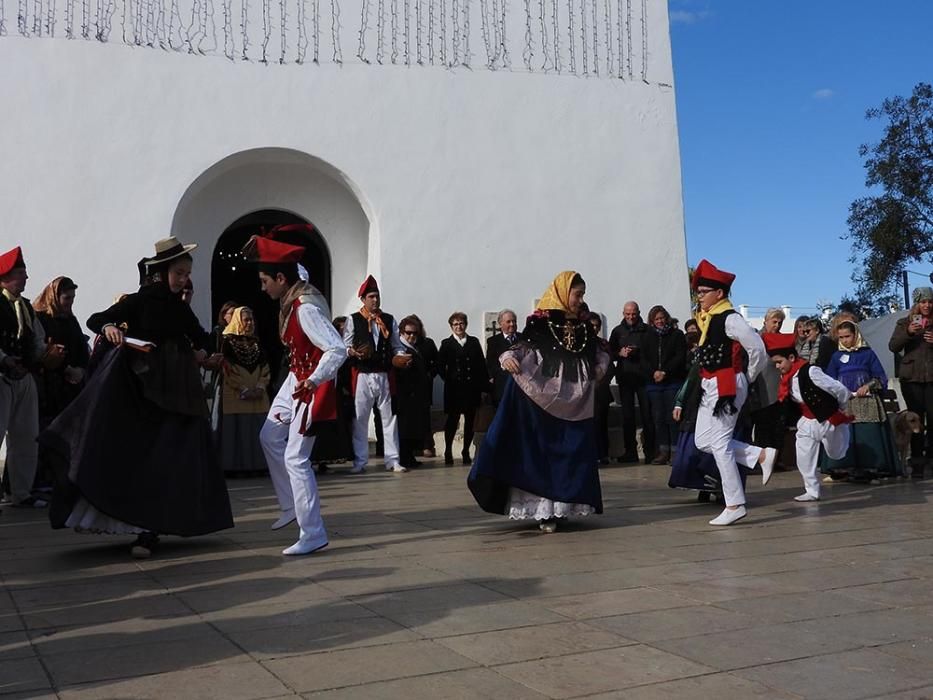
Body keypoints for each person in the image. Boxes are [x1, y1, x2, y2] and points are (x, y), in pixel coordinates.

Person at [40, 237, 233, 558]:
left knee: (172, 458)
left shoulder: (179, 309)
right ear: (162, 272)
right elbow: (96, 319)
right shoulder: (141, 300)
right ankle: (141, 527)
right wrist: (112, 327)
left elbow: (202, 338)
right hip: (140, 389)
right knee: (142, 457)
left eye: (187, 274)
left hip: (177, 393)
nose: (184, 279)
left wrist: (207, 354)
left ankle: (153, 527)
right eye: (179, 273)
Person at [468, 271, 609, 533]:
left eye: (582, 295)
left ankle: (564, 506)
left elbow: (600, 354)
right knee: (544, 454)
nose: (580, 300)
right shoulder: (541, 324)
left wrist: (598, 370)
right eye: (577, 294)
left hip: (576, 403)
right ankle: (545, 511)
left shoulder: (585, 328)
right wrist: (507, 358)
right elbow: (521, 348)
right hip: (541, 399)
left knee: (571, 454)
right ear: (562, 293)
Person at [244, 234, 347, 554]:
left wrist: (315, 380)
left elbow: (337, 348)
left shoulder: (304, 308)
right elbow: (298, 269)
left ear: (280, 279)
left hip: (310, 386)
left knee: (296, 457)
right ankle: (291, 505)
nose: (262, 288)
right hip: (295, 380)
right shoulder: (292, 296)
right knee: (269, 436)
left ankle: (312, 531)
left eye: (265, 281)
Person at [691, 259, 777, 526]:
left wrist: (747, 377)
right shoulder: (709, 318)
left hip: (727, 383)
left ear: (719, 293)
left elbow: (758, 350)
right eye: (699, 291)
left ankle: (735, 503)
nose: (700, 296)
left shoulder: (730, 318)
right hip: (710, 384)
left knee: (719, 443)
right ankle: (759, 455)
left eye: (704, 291)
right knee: (702, 441)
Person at [0, 247, 63, 508]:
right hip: (1, 376)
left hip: (24, 377)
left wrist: (47, 354)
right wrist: (3, 359)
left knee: (26, 436)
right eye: (20, 274)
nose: (26, 278)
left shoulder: (25, 307)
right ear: (5, 277)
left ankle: (21, 493)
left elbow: (35, 339)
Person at [764, 333, 853, 501]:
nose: (777, 366)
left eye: (779, 362)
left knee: (836, 454)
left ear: (791, 357)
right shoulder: (787, 379)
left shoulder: (811, 371)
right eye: (775, 363)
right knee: (804, 456)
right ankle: (812, 491)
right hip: (807, 421)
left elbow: (838, 389)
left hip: (827, 419)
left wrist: (840, 408)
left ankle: (843, 431)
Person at [343, 276, 410, 474]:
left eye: (377, 296)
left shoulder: (388, 320)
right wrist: (352, 352)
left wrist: (400, 357)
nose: (375, 300)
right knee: (360, 419)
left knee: (389, 419)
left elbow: (396, 345)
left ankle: (393, 459)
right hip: (363, 375)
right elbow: (344, 346)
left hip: (383, 375)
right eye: (371, 296)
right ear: (363, 299)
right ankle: (360, 461)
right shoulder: (353, 320)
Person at [821, 320, 900, 479]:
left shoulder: (868, 354)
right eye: (841, 337)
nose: (844, 340)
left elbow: (880, 377)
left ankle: (872, 467)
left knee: (867, 433)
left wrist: (868, 386)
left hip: (867, 403)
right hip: (845, 403)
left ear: (856, 335)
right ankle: (841, 468)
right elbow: (829, 379)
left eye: (847, 336)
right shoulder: (836, 357)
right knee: (844, 434)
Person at [32, 277, 90, 489]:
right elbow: (42, 351)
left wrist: (80, 371)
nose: (70, 302)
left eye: (73, 298)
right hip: (49, 386)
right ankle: (39, 479)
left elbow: (82, 351)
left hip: (71, 387)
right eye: (67, 297)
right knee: (45, 431)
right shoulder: (42, 319)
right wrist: (65, 368)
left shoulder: (70, 320)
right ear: (55, 296)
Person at [218, 306, 271, 476]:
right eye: (246, 319)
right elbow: (226, 369)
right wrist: (244, 388)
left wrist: (260, 387)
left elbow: (265, 368)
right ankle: (236, 468)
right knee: (238, 431)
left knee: (257, 429)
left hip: (257, 394)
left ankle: (259, 466)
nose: (250, 323)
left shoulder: (256, 343)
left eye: (251, 319)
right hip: (236, 395)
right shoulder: (227, 343)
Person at [889, 287, 933, 477]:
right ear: (916, 303)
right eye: (923, 302)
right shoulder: (904, 323)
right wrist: (908, 332)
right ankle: (916, 464)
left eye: (930, 301)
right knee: (915, 421)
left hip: (932, 377)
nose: (927, 305)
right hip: (911, 378)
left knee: (932, 420)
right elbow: (893, 346)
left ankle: (931, 459)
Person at [437, 312, 489, 465]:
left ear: (465, 325)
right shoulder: (446, 343)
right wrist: (448, 378)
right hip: (454, 389)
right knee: (452, 420)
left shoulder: (473, 342)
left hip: (471, 388)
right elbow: (440, 365)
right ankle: (448, 450)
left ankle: (466, 450)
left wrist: (484, 385)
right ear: (451, 326)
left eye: (461, 323)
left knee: (470, 421)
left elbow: (481, 365)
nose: (458, 327)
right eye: (455, 324)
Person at [641, 305, 687, 465]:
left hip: (672, 381)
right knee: (658, 417)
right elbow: (643, 358)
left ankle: (675, 451)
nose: (660, 321)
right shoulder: (647, 336)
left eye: (662, 318)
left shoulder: (677, 334)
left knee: (672, 417)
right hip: (654, 383)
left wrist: (665, 371)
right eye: (656, 319)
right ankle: (663, 450)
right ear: (652, 321)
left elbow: (680, 356)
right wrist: (653, 372)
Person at [609, 301, 654, 463]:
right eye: (627, 314)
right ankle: (630, 451)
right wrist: (619, 353)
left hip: (644, 378)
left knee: (647, 415)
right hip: (625, 378)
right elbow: (609, 353)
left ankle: (651, 451)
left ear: (638, 313)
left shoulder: (647, 330)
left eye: (633, 314)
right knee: (627, 416)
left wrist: (638, 353)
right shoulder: (617, 331)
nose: (630, 317)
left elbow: (652, 352)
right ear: (623, 313)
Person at [395, 316, 432, 468]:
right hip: (406, 396)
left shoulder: (415, 348)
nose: (411, 336)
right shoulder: (401, 350)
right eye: (408, 333)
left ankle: (409, 456)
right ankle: (404, 457)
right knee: (405, 429)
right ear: (402, 333)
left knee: (414, 428)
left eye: (414, 333)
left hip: (417, 396)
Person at [408, 315, 439, 458]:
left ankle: (426, 445)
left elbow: (436, 363)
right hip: (408, 388)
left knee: (424, 417)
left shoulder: (427, 343)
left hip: (424, 387)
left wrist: (429, 375)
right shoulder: (403, 344)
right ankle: (413, 447)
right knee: (410, 418)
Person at [584, 312, 613, 465]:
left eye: (597, 326)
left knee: (601, 423)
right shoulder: (582, 342)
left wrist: (601, 381)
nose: (594, 328)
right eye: (592, 325)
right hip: (585, 390)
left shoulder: (603, 344)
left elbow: (610, 367)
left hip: (601, 390)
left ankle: (603, 453)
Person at [486, 309, 522, 407]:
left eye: (514, 321)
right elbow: (491, 364)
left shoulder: (523, 338)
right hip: (503, 388)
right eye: (508, 321)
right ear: (500, 324)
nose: (512, 324)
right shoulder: (493, 341)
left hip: (522, 389)